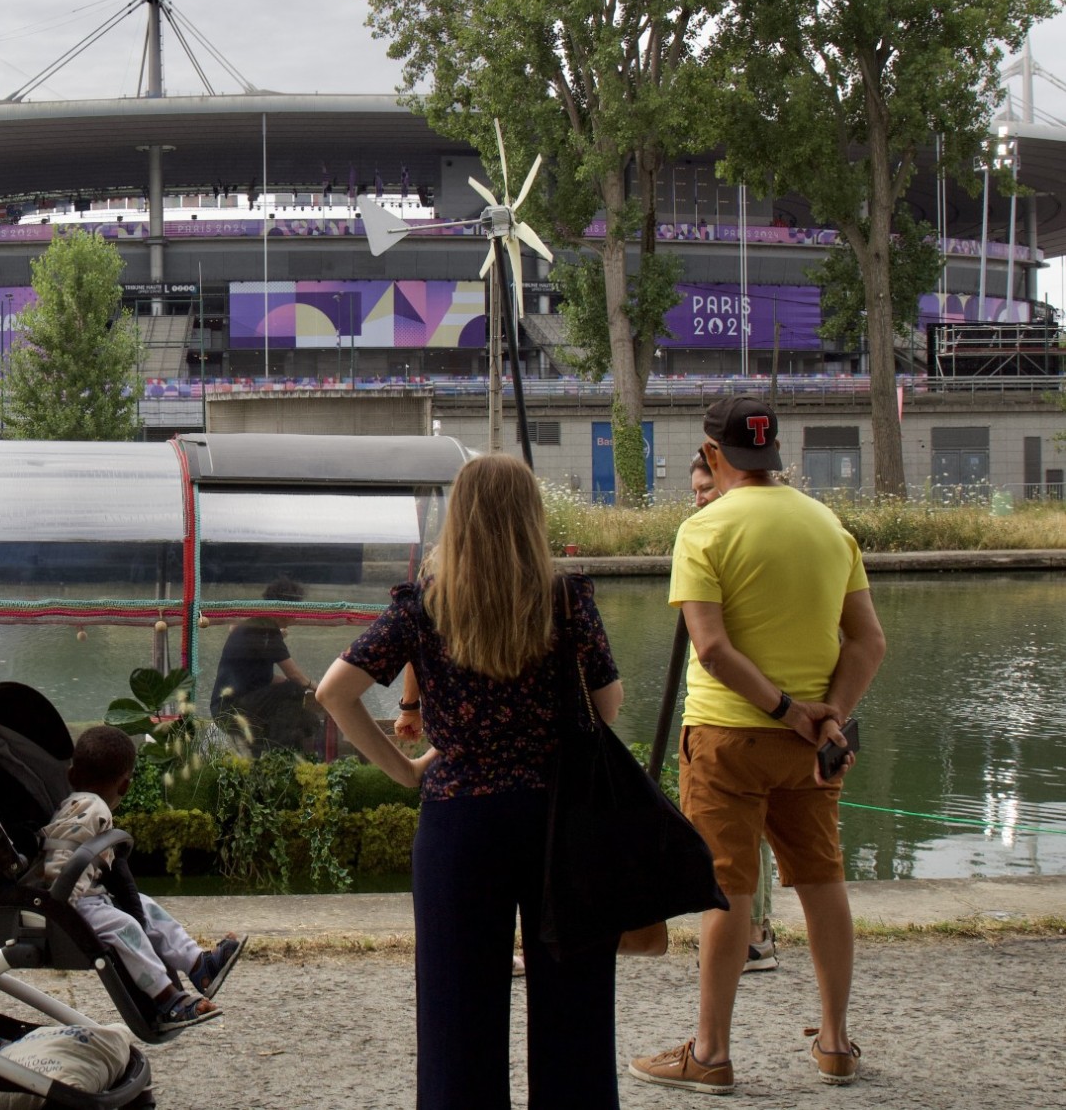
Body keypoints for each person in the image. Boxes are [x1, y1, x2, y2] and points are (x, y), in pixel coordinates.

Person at [315, 453, 625, 1110]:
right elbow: (607, 704)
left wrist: (406, 768)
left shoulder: (427, 604)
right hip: (558, 818)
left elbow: (335, 692)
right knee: (577, 1016)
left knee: (458, 1016)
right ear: (531, 516)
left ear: (458, 516)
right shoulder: (566, 598)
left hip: (460, 819)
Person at [630, 398, 885, 1095]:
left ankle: (711, 1052)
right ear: (775, 454)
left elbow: (711, 649)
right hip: (810, 747)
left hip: (727, 736)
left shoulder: (703, 529)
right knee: (822, 879)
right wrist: (828, 713)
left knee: (728, 887)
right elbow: (869, 641)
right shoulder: (829, 526)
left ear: (714, 455)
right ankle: (835, 1041)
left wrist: (782, 706)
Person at [40, 725, 242, 1032]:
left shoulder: (72, 803)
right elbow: (64, 861)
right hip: (70, 903)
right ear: (124, 786)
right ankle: (167, 997)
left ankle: (200, 965)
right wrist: (63, 907)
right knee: (127, 926)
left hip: (82, 896)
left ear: (71, 775)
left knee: (146, 908)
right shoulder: (93, 809)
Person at [690, 449, 779, 975]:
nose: (701, 499)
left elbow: (716, 649)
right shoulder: (710, 540)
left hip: (741, 718)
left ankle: (754, 934)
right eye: (696, 492)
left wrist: (784, 708)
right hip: (730, 712)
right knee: (735, 844)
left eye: (708, 488)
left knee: (740, 845)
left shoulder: (733, 538)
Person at [210, 578, 318, 754]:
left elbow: (254, 675)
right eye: (295, 609)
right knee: (294, 689)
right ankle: (275, 750)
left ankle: (271, 748)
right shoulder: (266, 630)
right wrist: (321, 689)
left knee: (307, 719)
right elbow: (296, 677)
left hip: (225, 707)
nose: (296, 616)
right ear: (284, 608)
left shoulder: (256, 626)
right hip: (232, 710)